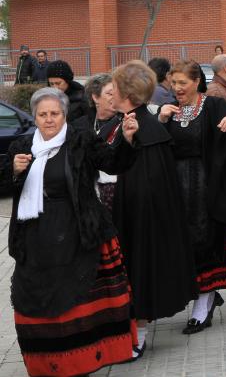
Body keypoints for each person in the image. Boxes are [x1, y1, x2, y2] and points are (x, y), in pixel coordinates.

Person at [5, 87, 139, 376]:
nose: (49, 119)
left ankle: (83, 362)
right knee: (38, 299)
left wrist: (127, 139)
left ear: (64, 115)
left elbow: (113, 162)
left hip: (79, 230)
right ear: (35, 116)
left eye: (55, 113)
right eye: (43, 114)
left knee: (78, 299)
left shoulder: (81, 140)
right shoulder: (22, 147)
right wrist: (14, 172)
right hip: (35, 235)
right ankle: (48, 364)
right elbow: (8, 188)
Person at [111, 61, 198, 359]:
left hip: (142, 220)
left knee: (141, 268)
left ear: (128, 94)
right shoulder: (140, 124)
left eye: (116, 90)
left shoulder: (142, 130)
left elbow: (145, 185)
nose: (111, 94)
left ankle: (140, 334)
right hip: (139, 215)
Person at [158, 60, 226, 334]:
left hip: (207, 188)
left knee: (205, 244)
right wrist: (159, 120)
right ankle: (202, 294)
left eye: (182, 83)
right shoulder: (169, 112)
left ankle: (203, 305)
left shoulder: (212, 106)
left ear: (196, 82)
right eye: (173, 83)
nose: (177, 89)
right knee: (182, 245)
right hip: (176, 190)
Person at [73, 73, 121, 209]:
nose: (115, 97)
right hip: (89, 193)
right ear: (95, 97)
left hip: (118, 192)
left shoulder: (125, 122)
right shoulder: (79, 126)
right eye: (110, 94)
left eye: (117, 93)